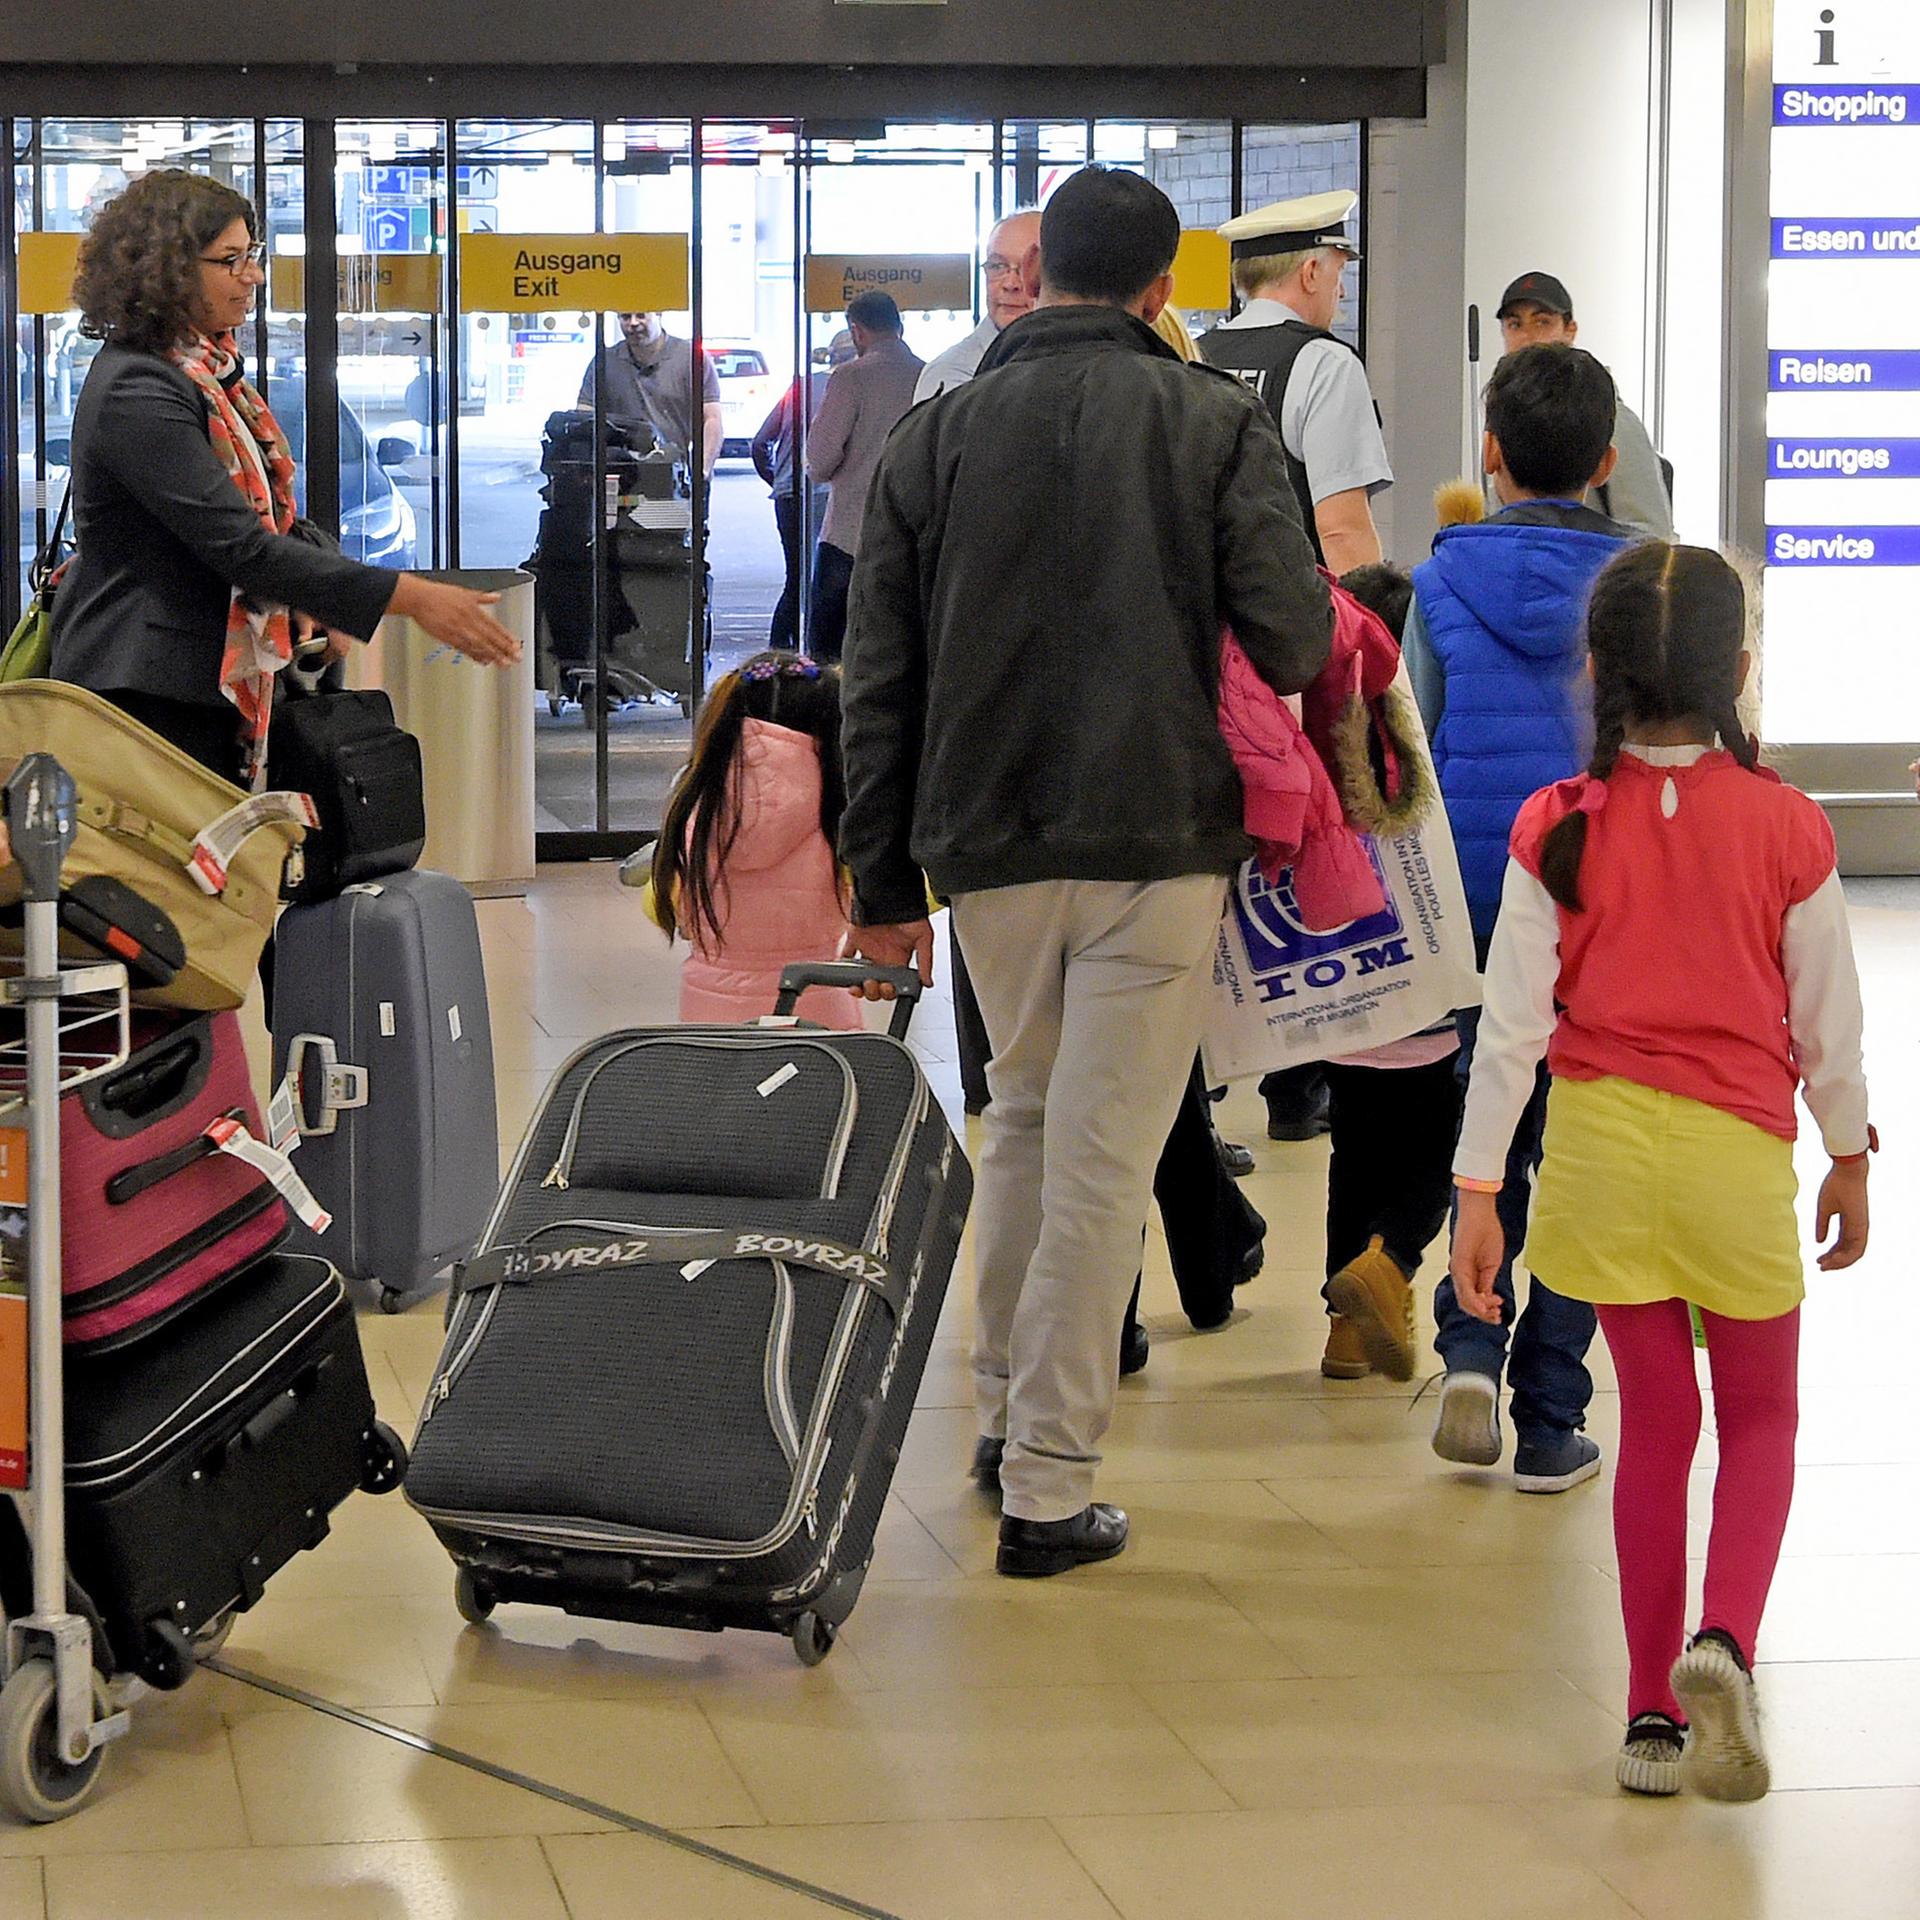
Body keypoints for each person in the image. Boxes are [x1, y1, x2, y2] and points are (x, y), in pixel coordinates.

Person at [839, 165, 1332, 1578]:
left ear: (1037, 268)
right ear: (1161, 288)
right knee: (1103, 1159)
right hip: (1157, 834)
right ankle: (1051, 1488)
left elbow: (881, 678)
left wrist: (880, 885)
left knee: (1027, 1124)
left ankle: (1004, 1421)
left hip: (980, 842)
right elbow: (1297, 643)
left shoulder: (933, 439)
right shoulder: (1211, 421)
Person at [1451, 541, 1871, 1801]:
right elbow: (1829, 1021)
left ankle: (1648, 1718)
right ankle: (1726, 1639)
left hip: (1595, 1155)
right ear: (1739, 670)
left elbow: (1510, 1031)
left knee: (1655, 1430)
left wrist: (1479, 1193)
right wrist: (1849, 1155)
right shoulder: (1789, 824)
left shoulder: (1558, 824)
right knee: (1762, 1417)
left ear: (1599, 670)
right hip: (1733, 1155)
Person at [49, 168, 519, 789]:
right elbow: (239, 547)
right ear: (166, 270)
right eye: (231, 260)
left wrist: (318, 589)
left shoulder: (210, 376)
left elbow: (277, 520)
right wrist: (413, 597)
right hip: (149, 691)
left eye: (254, 254)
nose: (255, 276)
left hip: (200, 683)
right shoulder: (139, 387)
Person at [1405, 341, 1637, 1493]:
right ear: (1604, 460)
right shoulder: (1649, 583)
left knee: (1491, 1122)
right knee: (1587, 1146)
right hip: (1616, 895)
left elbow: (1412, 747)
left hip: (1490, 891)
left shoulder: (1441, 577)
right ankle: (1552, 1419)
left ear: (1489, 455)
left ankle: (1467, 1347)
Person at [1200, 189, 1393, 1145]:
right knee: (1309, 846)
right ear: (1312, 271)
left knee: (1223, 862)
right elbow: (1343, 524)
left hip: (1204, 657)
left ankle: (1205, 1082)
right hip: (1291, 644)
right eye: (1338, 269)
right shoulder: (1323, 364)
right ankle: (1298, 1081)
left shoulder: (1195, 355)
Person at [1313, 561, 1465, 1384]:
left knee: (1353, 1160)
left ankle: (1344, 1333)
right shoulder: (1422, 754)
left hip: (1340, 1009)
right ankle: (1390, 1262)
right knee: (1428, 1167)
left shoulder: (1322, 748)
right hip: (1424, 1018)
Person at [649, 651, 861, 1032]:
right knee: (829, 1090)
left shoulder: (698, 798)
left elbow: (661, 901)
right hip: (818, 1007)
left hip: (710, 1019)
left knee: (722, 1091)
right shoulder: (837, 802)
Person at [1496, 272, 1674, 539]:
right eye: (1515, 324)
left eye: (1542, 322)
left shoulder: (1612, 420)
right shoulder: (1501, 418)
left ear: (1570, 331)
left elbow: (1652, 536)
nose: (1528, 337)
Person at [805, 292, 924, 663]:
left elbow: (821, 459)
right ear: (899, 326)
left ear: (856, 331)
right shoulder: (929, 373)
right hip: (913, 535)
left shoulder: (850, 378)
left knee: (830, 651)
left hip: (849, 536)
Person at [750, 336, 852, 652]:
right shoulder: (851, 387)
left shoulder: (802, 386)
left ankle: (778, 652)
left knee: (796, 578)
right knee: (828, 579)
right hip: (824, 492)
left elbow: (759, 443)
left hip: (788, 492)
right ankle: (816, 655)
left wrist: (779, 481)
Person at [914, 209, 1045, 404]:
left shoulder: (1085, 360)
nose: (1010, 283)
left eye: (1029, 268)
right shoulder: (951, 376)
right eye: (997, 266)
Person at [578, 310, 723, 479]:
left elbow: (712, 419)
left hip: (676, 475)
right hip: (620, 475)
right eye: (625, 317)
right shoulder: (604, 362)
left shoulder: (691, 359)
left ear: (659, 315)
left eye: (640, 315)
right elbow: (584, 415)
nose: (633, 323)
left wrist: (702, 470)